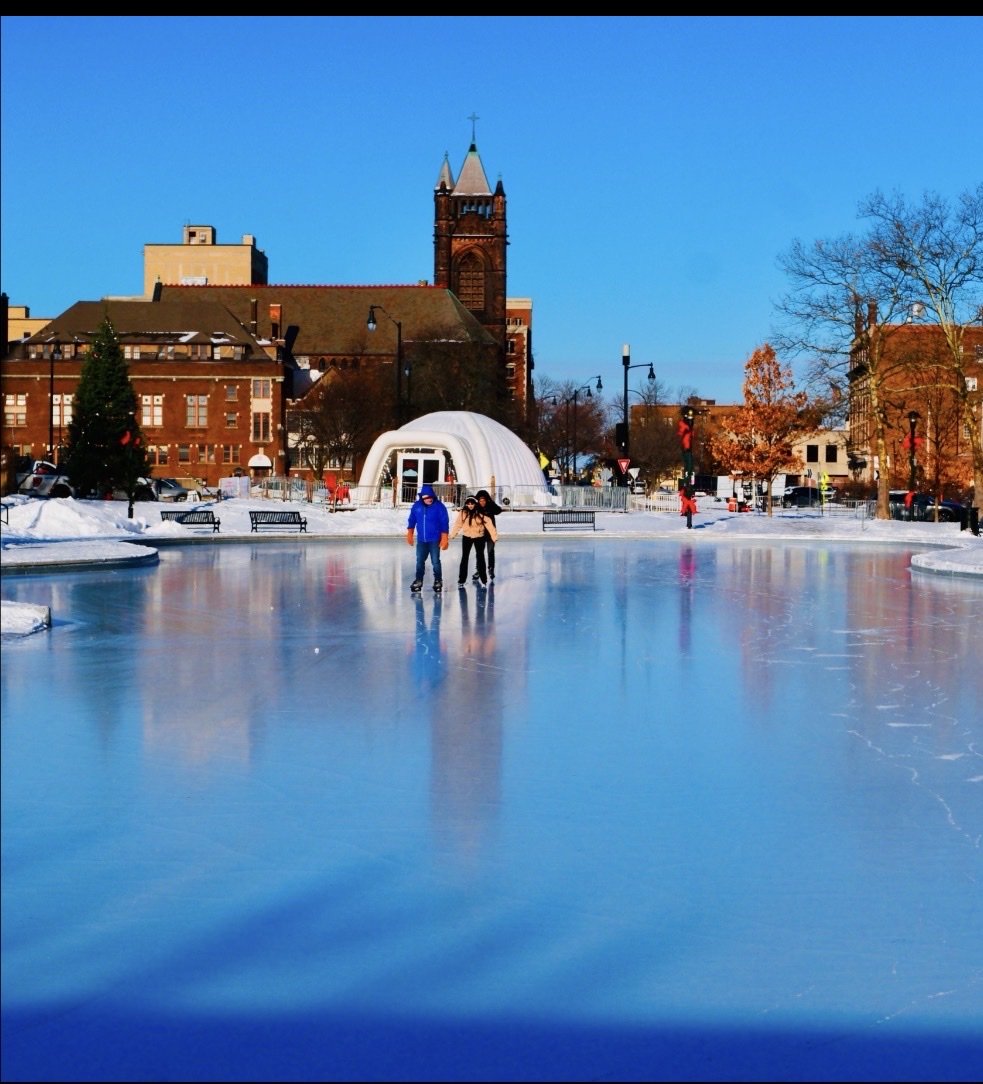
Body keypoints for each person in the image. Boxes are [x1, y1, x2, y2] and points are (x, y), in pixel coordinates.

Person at [405, 483, 449, 592]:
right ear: (422, 498)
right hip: (422, 540)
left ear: (433, 496)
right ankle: (418, 580)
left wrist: (444, 537)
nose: (428, 499)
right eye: (426, 498)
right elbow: (412, 519)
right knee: (420, 561)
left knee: (435, 561)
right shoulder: (417, 506)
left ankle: (438, 580)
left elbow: (444, 522)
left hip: (434, 540)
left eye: (430, 497)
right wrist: (410, 532)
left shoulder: (439, 506)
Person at [449, 494, 498, 587]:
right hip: (467, 537)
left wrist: (494, 536)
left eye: (472, 504)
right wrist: (453, 535)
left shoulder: (480, 513)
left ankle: (484, 580)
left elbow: (489, 525)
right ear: (466, 504)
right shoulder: (463, 513)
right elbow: (458, 524)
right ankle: (461, 580)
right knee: (464, 558)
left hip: (479, 537)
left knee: (480, 557)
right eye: (468, 504)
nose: (470, 505)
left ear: (475, 504)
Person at [473, 488, 502, 581]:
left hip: (490, 534)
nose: (482, 502)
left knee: (490, 552)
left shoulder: (490, 507)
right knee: (479, 553)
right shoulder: (476, 508)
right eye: (480, 501)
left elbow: (498, 510)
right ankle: (479, 570)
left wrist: (491, 503)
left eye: (484, 500)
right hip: (480, 534)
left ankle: (491, 569)